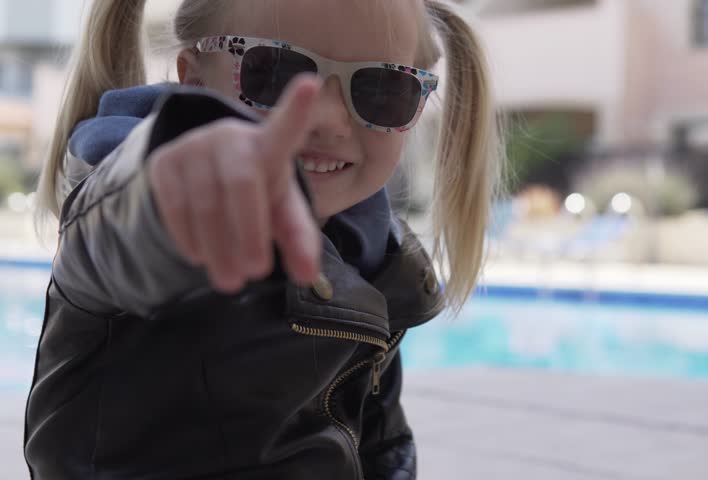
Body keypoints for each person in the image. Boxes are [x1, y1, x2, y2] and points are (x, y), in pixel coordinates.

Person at [24, 0, 503, 478]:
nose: (329, 119)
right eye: (276, 72)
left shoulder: (375, 258)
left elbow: (380, 444)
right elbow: (116, 233)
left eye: (381, 88)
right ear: (194, 80)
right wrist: (165, 193)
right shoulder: (137, 203)